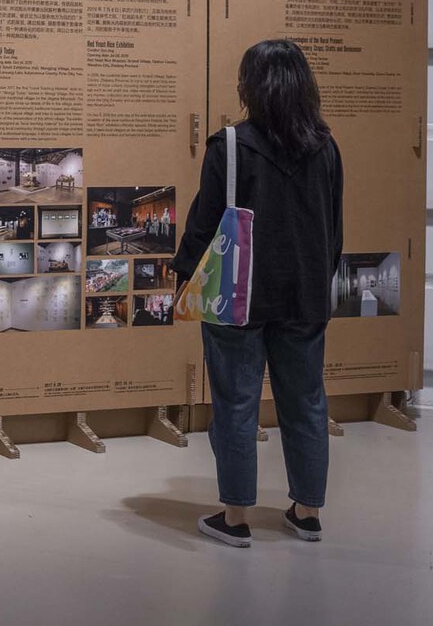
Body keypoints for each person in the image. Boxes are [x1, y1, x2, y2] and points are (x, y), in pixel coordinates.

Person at [173, 39, 344, 548]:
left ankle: (236, 517)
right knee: (307, 401)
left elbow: (207, 221)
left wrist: (184, 271)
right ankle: (307, 512)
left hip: (239, 294)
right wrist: (322, 277)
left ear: (252, 86)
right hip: (306, 296)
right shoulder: (326, 147)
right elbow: (333, 227)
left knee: (236, 402)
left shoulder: (231, 145)